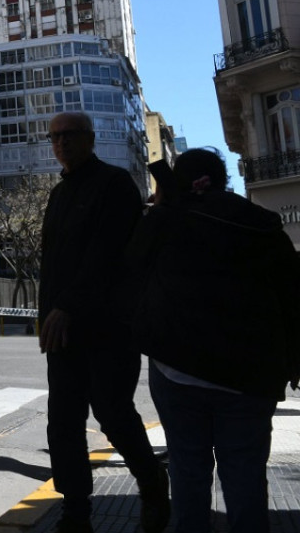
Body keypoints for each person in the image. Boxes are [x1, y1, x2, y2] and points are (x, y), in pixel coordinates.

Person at [126, 148, 300, 533]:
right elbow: (292, 297)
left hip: (177, 372)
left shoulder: (165, 221)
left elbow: (130, 277)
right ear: (220, 180)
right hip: (251, 379)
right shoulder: (263, 226)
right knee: (246, 478)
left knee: (189, 476)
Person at [38, 111, 168, 533]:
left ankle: (152, 486)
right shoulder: (59, 195)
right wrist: (47, 319)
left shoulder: (113, 185)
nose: (61, 143)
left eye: (69, 135)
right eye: (55, 137)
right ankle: (75, 511)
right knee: (63, 421)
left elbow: (108, 256)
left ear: (90, 139)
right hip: (62, 331)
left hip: (108, 327)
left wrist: (69, 306)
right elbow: (52, 267)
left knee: (113, 414)